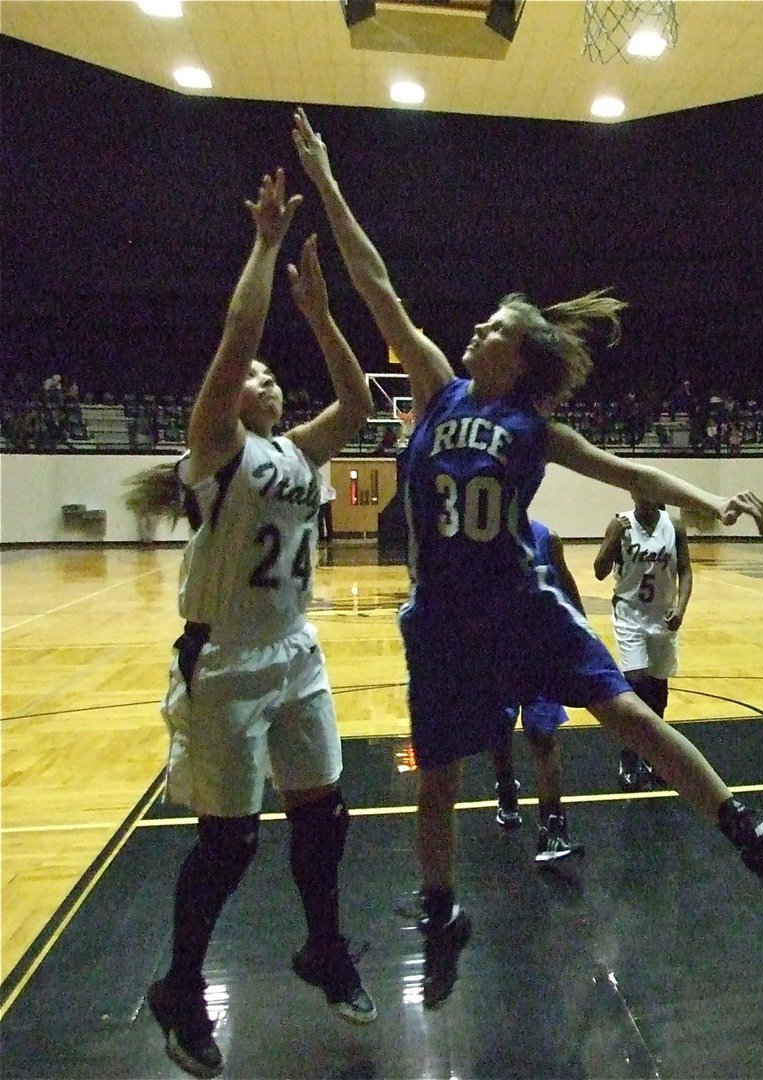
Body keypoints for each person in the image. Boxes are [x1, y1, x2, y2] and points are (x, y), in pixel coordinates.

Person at [291, 107, 763, 1006]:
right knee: (438, 776)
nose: (474, 330)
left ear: (518, 350)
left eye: (492, 326)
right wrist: (330, 181)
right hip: (443, 616)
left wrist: (710, 501)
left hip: (519, 602)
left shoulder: (534, 427)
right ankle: (439, 909)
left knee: (628, 713)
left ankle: (751, 836)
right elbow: (375, 282)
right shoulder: (434, 385)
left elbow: (626, 470)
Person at [128, 169, 376, 1079]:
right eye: (255, 376)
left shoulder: (297, 451)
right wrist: (267, 246)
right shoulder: (215, 447)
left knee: (326, 813)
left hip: (294, 650)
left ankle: (324, 946)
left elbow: (356, 407)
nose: (263, 379)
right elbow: (237, 337)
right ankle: (179, 985)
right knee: (229, 843)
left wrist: (319, 314)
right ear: (232, 398)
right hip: (224, 660)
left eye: (274, 375)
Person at [491, 518, 584, 865]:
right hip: (498, 655)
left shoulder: (547, 538)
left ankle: (553, 827)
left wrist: (581, 635)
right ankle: (505, 788)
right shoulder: (482, 540)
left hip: (542, 653)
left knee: (542, 735)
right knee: (498, 731)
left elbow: (568, 591)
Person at [593, 497, 693, 791]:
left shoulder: (674, 527)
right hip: (629, 614)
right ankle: (628, 757)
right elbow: (599, 570)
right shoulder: (620, 524)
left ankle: (655, 756)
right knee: (636, 684)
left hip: (662, 615)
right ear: (634, 496)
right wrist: (613, 539)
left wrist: (681, 608)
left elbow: (685, 571)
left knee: (658, 692)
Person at [318, 466, 336, 543]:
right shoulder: (315, 486)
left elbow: (333, 490)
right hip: (319, 504)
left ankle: (330, 537)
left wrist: (332, 498)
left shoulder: (324, 485)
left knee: (328, 520)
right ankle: (321, 537)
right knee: (320, 521)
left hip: (325, 503)